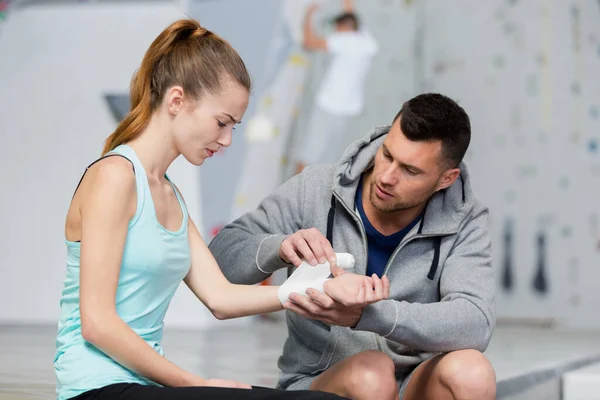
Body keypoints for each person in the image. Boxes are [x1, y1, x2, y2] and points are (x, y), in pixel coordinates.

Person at [54, 19, 386, 400]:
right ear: (176, 101)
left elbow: (220, 298)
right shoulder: (114, 176)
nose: (226, 140)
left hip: (145, 387)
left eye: (234, 127)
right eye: (222, 122)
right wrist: (194, 383)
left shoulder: (170, 196)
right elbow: (96, 323)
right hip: (96, 389)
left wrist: (308, 289)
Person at [210, 93, 497, 400]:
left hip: (414, 382)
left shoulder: (466, 220)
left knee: (472, 373)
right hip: (324, 382)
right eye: (387, 154)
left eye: (410, 171)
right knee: (371, 374)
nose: (386, 177)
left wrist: (368, 315)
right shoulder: (315, 188)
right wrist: (280, 247)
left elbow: (475, 322)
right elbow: (219, 260)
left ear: (446, 179)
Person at [295, 0, 379, 174]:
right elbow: (351, 15)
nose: (335, 32)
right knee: (328, 156)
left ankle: (290, 191)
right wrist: (347, 5)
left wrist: (308, 15)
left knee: (309, 152)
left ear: (344, 28)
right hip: (347, 110)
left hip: (328, 104)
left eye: (337, 28)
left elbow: (309, 43)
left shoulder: (345, 40)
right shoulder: (367, 42)